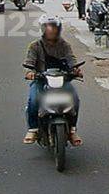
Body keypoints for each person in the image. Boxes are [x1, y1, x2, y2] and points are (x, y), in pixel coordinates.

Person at [22, 15, 83, 146]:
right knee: (33, 99)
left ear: (58, 29)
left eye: (54, 27)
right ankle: (33, 128)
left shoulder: (65, 45)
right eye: (48, 27)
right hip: (41, 80)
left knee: (75, 99)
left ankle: (72, 129)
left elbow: (71, 60)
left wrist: (75, 70)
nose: (51, 30)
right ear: (43, 29)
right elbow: (29, 63)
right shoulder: (35, 46)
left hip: (62, 80)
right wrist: (31, 73)